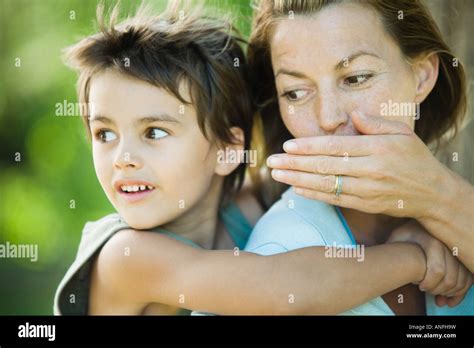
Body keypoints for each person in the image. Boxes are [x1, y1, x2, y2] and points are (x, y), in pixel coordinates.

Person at [54, 1, 469, 316]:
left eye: (154, 132)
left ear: (228, 151)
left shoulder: (243, 209)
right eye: (104, 133)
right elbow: (286, 287)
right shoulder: (126, 256)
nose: (123, 157)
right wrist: (413, 258)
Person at [245, 0, 473, 314]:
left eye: (355, 78)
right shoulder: (281, 248)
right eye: (295, 92)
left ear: (421, 77)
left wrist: (439, 201)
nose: (328, 117)